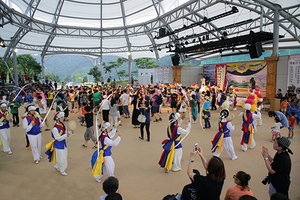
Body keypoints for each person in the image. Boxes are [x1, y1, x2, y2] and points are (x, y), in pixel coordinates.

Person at [45, 112, 74, 176]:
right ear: (57, 119)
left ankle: (57, 166)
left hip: (63, 144)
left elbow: (66, 134)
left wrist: (71, 132)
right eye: (61, 118)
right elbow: (58, 138)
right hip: (58, 145)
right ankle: (62, 170)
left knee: (63, 157)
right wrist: (66, 135)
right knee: (61, 158)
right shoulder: (55, 129)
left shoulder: (63, 125)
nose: (63, 119)